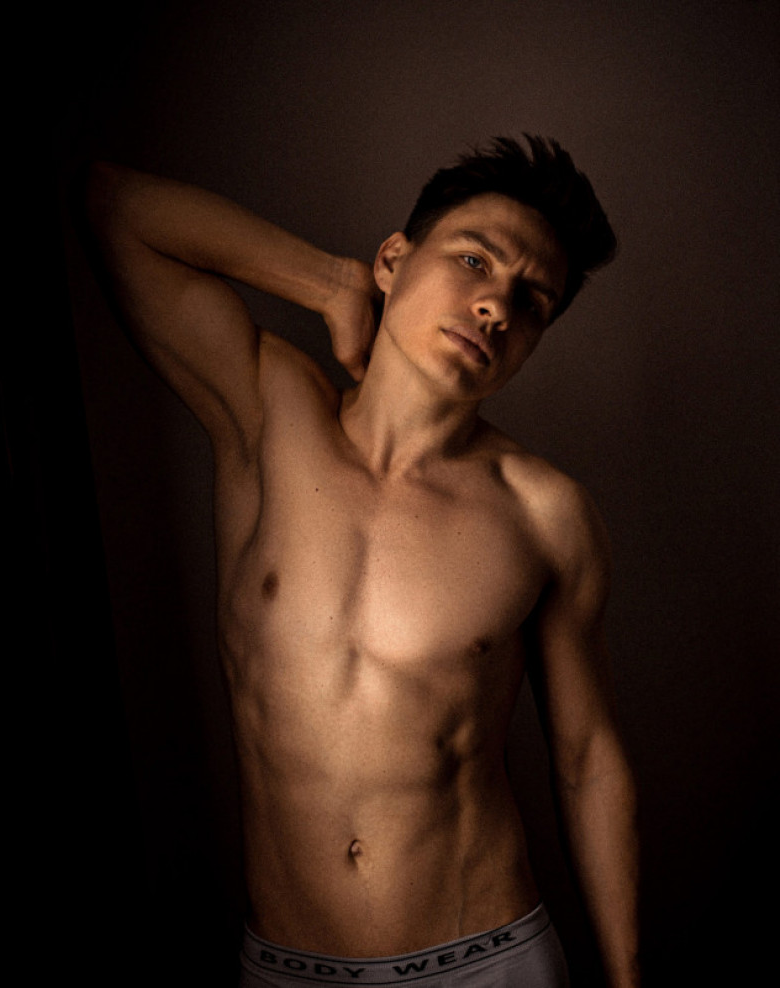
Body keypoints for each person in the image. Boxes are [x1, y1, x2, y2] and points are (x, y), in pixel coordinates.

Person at [84, 136, 639, 987]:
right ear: (392, 259)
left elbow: (588, 757)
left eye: (531, 300)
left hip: (486, 962)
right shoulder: (266, 409)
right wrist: (325, 282)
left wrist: (627, 978)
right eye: (474, 260)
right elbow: (114, 206)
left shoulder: (545, 512)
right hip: (287, 966)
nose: (495, 305)